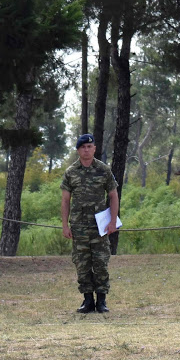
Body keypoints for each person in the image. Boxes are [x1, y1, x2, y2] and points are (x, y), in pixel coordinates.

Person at [61, 134, 119, 314]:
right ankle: (87, 300)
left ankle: (101, 300)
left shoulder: (103, 170)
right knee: (82, 263)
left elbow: (113, 196)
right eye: (83, 147)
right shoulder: (71, 172)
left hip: (100, 227)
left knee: (101, 262)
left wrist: (112, 222)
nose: (86, 150)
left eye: (89, 147)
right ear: (78, 150)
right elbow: (65, 200)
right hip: (79, 227)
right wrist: (65, 225)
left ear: (94, 149)